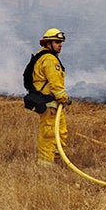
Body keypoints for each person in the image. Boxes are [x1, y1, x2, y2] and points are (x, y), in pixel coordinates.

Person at [32, 27, 71, 166]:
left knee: (60, 132)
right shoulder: (49, 59)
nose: (60, 45)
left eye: (61, 42)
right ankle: (45, 167)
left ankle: (56, 161)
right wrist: (63, 98)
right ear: (48, 44)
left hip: (53, 105)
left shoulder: (45, 57)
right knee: (49, 135)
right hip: (50, 104)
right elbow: (55, 84)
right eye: (56, 42)